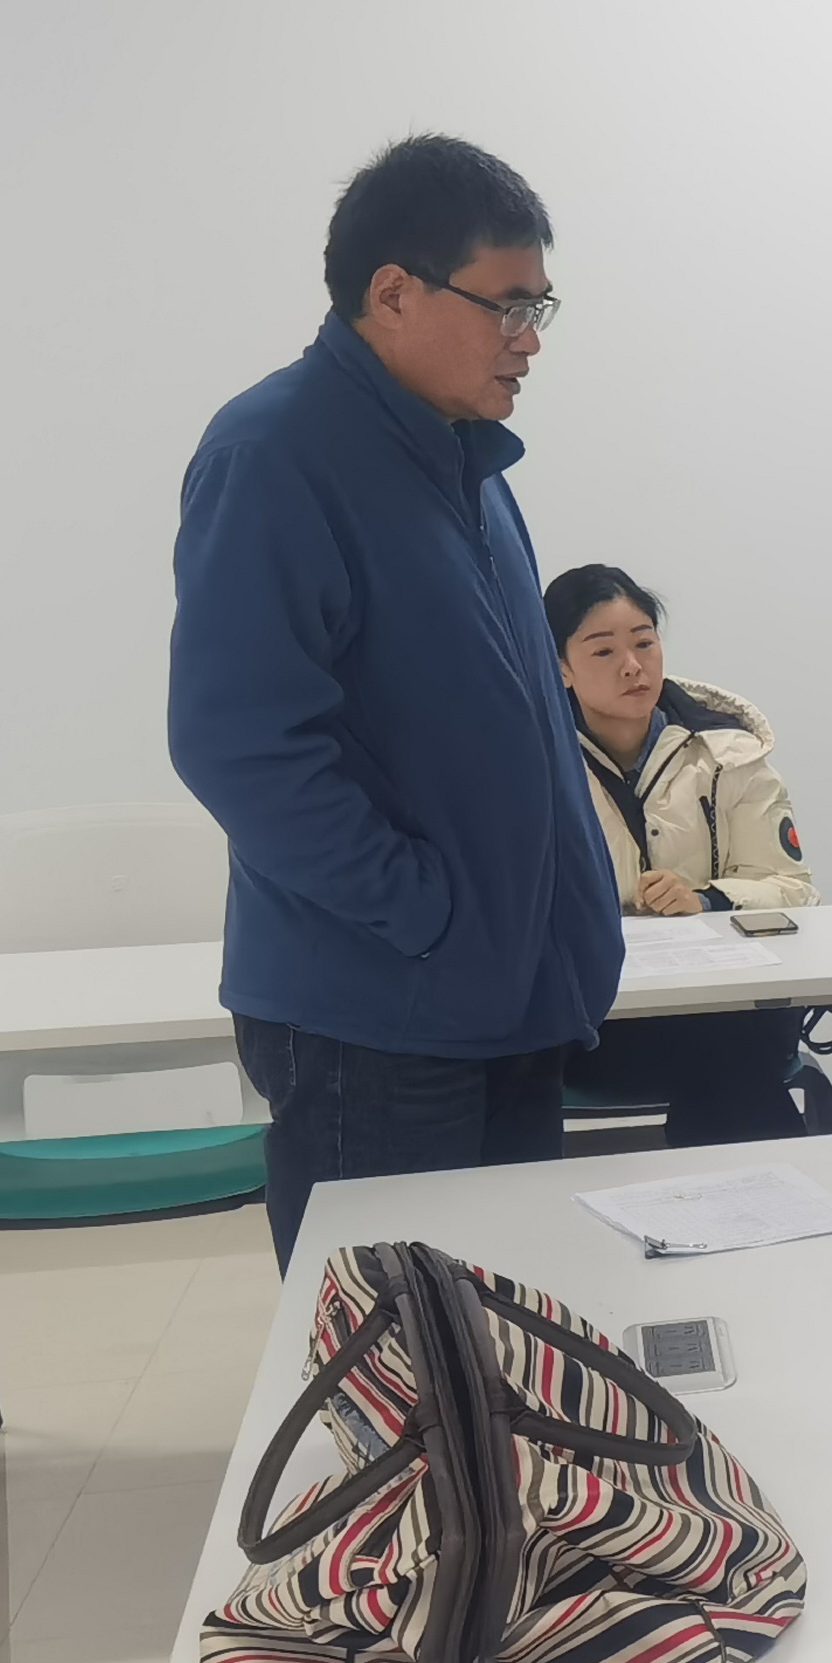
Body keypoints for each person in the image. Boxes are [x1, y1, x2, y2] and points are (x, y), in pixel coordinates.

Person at [168, 135, 617, 1266]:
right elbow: (239, 745)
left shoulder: (465, 462)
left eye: (539, 308)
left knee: (511, 1337)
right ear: (395, 293)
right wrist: (425, 913)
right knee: (398, 1352)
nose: (529, 340)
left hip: (506, 998)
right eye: (507, 306)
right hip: (376, 1017)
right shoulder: (276, 451)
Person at [547, 565, 818, 1147]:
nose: (632, 666)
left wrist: (706, 898)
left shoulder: (729, 754)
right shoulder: (533, 763)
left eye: (644, 643)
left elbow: (792, 887)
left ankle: (743, 1188)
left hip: (718, 1002)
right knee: (727, 1064)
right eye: (603, 651)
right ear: (561, 668)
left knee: (725, 1046)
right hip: (596, 1019)